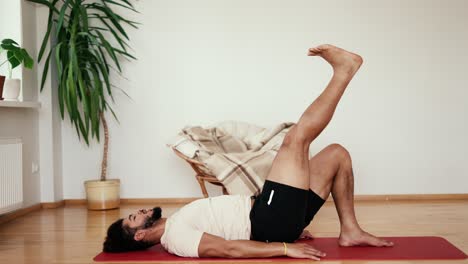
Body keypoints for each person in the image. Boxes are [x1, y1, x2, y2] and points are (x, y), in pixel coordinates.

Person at [103, 44, 394, 260]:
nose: (138, 212)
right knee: (295, 141)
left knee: (336, 154)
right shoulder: (175, 238)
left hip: (272, 216)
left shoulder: (177, 220)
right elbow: (228, 249)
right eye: (133, 218)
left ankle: (350, 230)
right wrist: (282, 247)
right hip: (266, 221)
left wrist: (288, 227)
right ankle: (344, 70)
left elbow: (228, 232)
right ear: (140, 234)